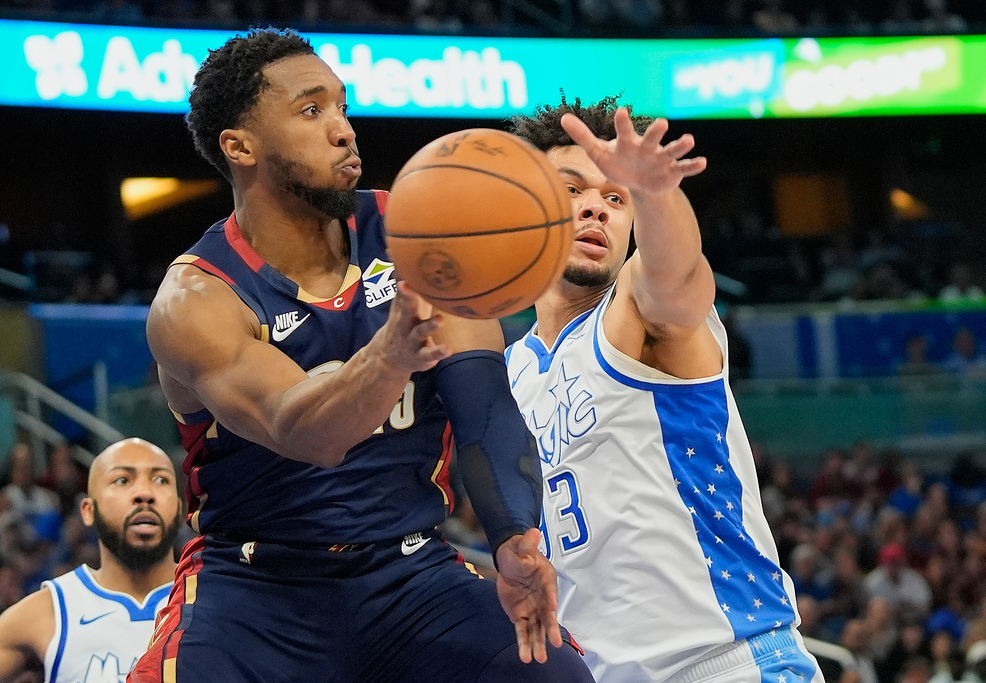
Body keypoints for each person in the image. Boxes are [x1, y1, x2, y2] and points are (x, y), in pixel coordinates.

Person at [130, 28, 592, 683]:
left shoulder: (421, 233)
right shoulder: (198, 296)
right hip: (253, 589)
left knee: (556, 674)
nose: (343, 129)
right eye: (311, 111)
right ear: (240, 146)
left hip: (411, 576)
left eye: (343, 107)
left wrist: (513, 535)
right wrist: (393, 350)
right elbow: (302, 429)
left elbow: (483, 400)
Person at [506, 96, 825, 682]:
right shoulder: (510, 371)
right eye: (571, 189)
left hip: (726, 664)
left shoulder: (634, 313)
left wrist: (656, 191)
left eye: (614, 197)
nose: (595, 210)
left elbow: (676, 279)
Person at [0, 438, 179, 682]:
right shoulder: (47, 612)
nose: (144, 494)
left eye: (161, 480)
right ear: (88, 510)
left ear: (181, 507)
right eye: (122, 480)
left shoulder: (217, 597)